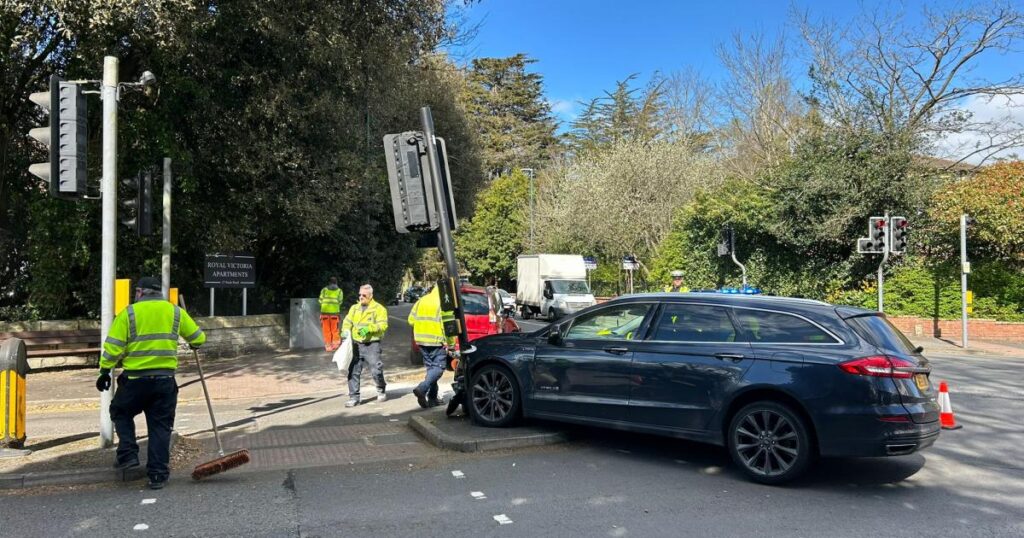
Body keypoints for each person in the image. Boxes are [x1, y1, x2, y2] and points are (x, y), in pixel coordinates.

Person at [96, 276, 206, 490]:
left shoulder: (129, 313)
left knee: (120, 411)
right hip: (164, 381)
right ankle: (157, 476)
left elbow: (113, 348)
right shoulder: (174, 312)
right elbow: (199, 338)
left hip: (135, 380)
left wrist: (104, 371)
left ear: (139, 293)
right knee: (160, 427)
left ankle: (128, 455)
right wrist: (192, 342)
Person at [408, 286, 456, 409]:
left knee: (431, 370)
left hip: (421, 340)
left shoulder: (421, 300)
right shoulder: (444, 304)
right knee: (439, 368)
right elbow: (449, 327)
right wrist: (451, 345)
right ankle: (422, 388)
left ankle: (432, 398)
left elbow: (410, 320)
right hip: (436, 341)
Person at [342, 284, 389, 407]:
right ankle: (354, 397)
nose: (361, 297)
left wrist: (369, 328)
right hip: (356, 344)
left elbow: (383, 325)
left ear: (370, 296)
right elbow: (347, 321)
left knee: (376, 369)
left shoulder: (379, 309)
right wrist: (345, 330)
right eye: (360, 294)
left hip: (372, 344)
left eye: (364, 295)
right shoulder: (354, 308)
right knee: (353, 371)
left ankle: (381, 388)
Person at [319, 277, 344, 351]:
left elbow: (320, 300)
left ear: (329, 282)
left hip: (325, 313)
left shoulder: (324, 290)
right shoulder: (339, 291)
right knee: (335, 329)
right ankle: (335, 345)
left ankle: (328, 347)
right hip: (334, 313)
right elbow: (340, 301)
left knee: (326, 330)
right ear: (336, 282)